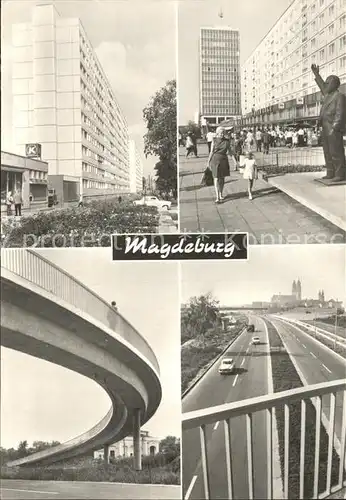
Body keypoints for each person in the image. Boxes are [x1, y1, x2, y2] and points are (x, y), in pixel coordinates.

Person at [311, 64, 346, 181]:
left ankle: (340, 174)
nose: (325, 84)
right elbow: (321, 85)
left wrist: (334, 128)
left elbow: (340, 114)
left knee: (336, 152)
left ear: (335, 84)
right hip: (325, 129)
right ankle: (330, 172)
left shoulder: (339, 96)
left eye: (328, 82)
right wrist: (316, 74)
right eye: (325, 83)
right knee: (327, 152)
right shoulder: (327, 95)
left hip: (333, 129)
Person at [207, 126, 232, 203]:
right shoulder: (214, 140)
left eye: (223, 133)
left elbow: (230, 152)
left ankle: (221, 193)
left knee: (222, 178)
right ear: (217, 133)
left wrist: (235, 160)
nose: (221, 134)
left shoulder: (227, 141)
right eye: (220, 132)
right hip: (215, 159)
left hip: (224, 160)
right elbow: (211, 152)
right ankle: (217, 196)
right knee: (216, 178)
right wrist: (208, 161)